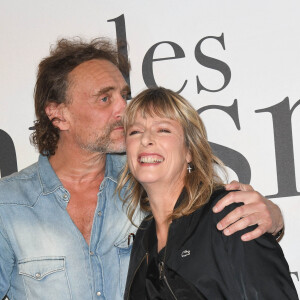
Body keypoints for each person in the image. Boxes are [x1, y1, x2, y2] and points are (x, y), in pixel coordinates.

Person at [0, 38, 284, 300]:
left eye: (124, 96)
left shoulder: (145, 176)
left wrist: (272, 217)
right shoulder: (7, 204)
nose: (124, 110)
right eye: (105, 98)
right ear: (58, 115)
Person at [119, 87, 298, 299]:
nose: (145, 139)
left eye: (163, 130)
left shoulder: (229, 214)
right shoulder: (143, 235)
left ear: (190, 151)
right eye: (135, 132)